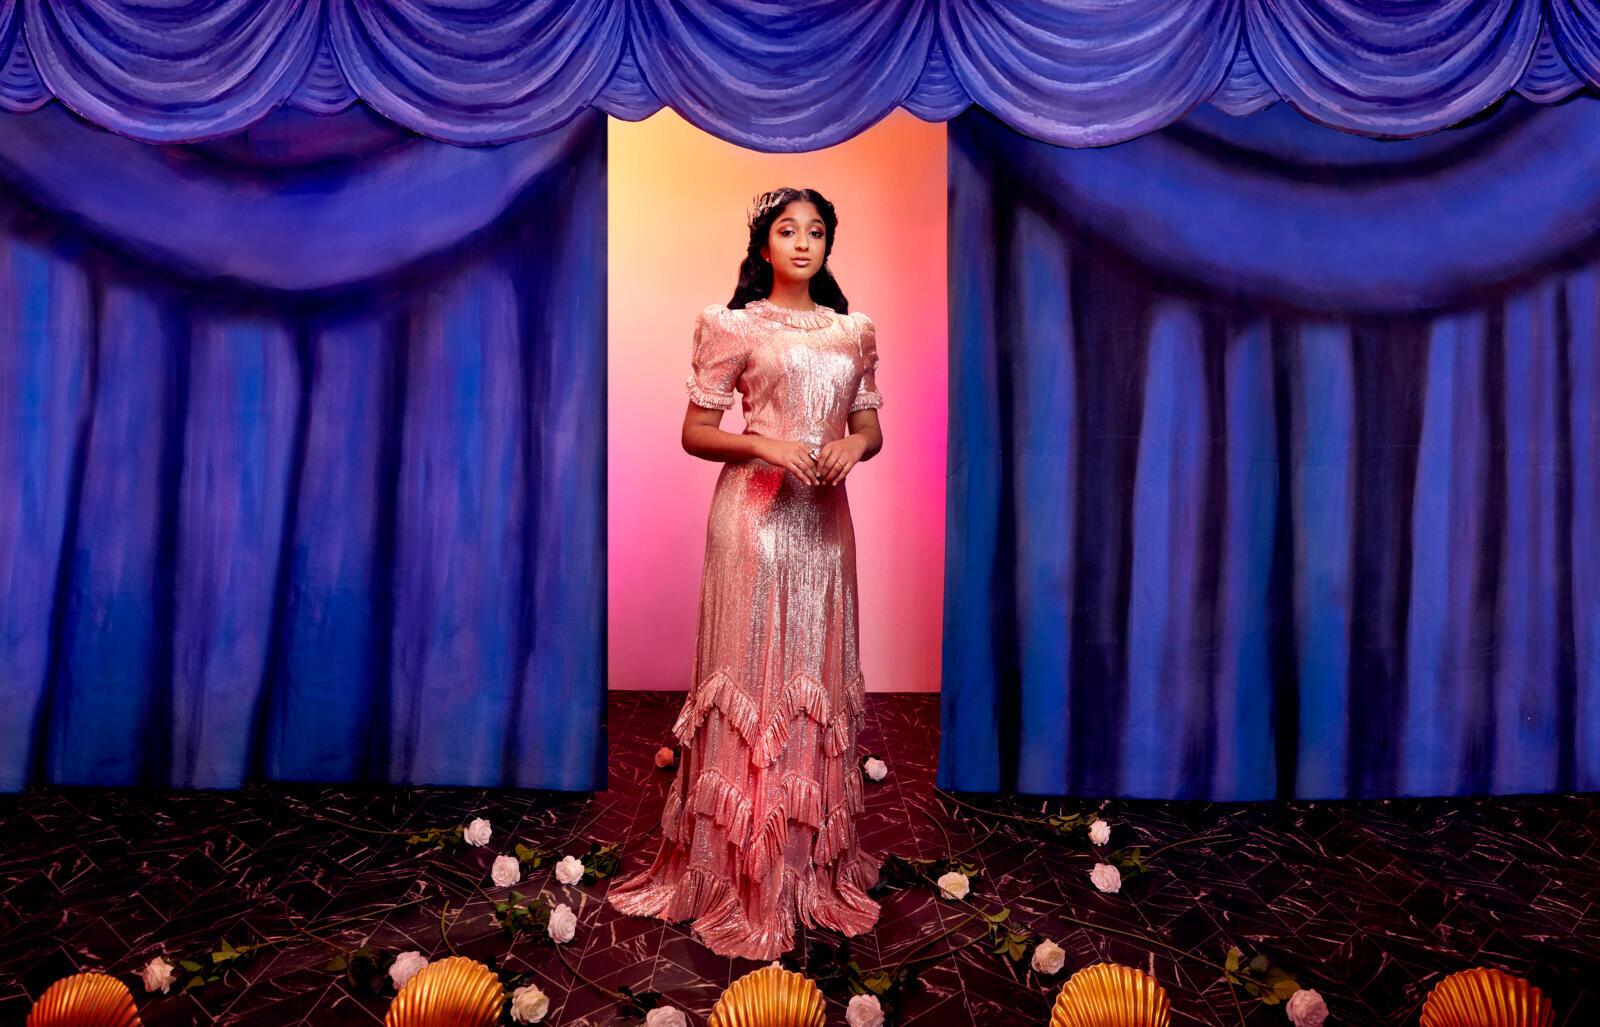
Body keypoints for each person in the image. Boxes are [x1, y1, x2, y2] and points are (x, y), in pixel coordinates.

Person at [606, 187, 884, 960]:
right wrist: (766, 444)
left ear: (828, 244)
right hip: (754, 521)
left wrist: (853, 446)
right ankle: (735, 869)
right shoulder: (732, 325)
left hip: (824, 526)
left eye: (816, 231)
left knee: (812, 676)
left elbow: (869, 424)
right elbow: (696, 430)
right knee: (752, 680)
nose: (802, 242)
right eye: (787, 230)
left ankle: (805, 865)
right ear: (764, 244)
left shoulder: (854, 331)